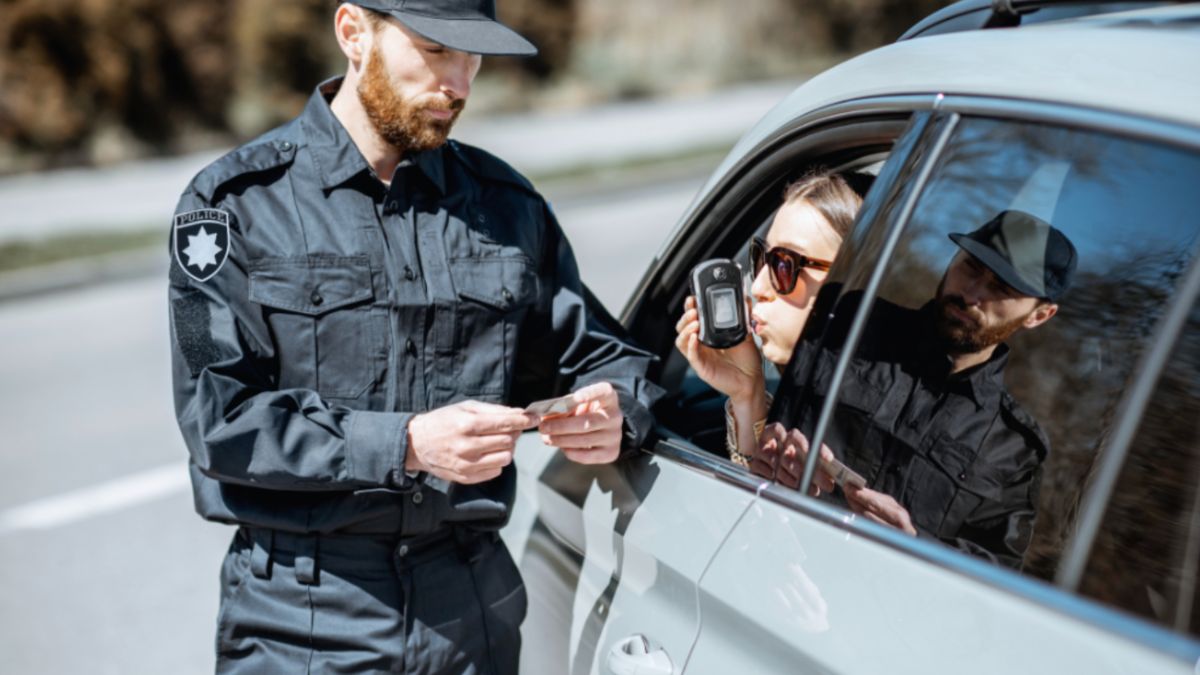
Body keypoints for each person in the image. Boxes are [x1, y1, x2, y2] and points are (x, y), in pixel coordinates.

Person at [167, 2, 662, 673]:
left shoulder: (506, 208)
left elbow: (608, 357)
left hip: (473, 617)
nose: (458, 83)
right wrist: (405, 443)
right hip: (301, 624)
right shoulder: (228, 208)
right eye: (435, 50)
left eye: (473, 57)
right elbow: (216, 414)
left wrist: (616, 412)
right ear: (352, 33)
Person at [755, 209, 1077, 568]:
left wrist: (914, 545)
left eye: (1000, 288)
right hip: (769, 557)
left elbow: (992, 577)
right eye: (970, 267)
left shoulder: (1015, 448)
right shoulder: (851, 321)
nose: (971, 294)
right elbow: (763, 426)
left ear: (1039, 315)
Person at [674, 172, 862, 465]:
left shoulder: (881, 426)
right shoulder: (814, 402)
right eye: (761, 259)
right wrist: (747, 393)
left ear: (855, 283)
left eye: (784, 265)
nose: (757, 287)